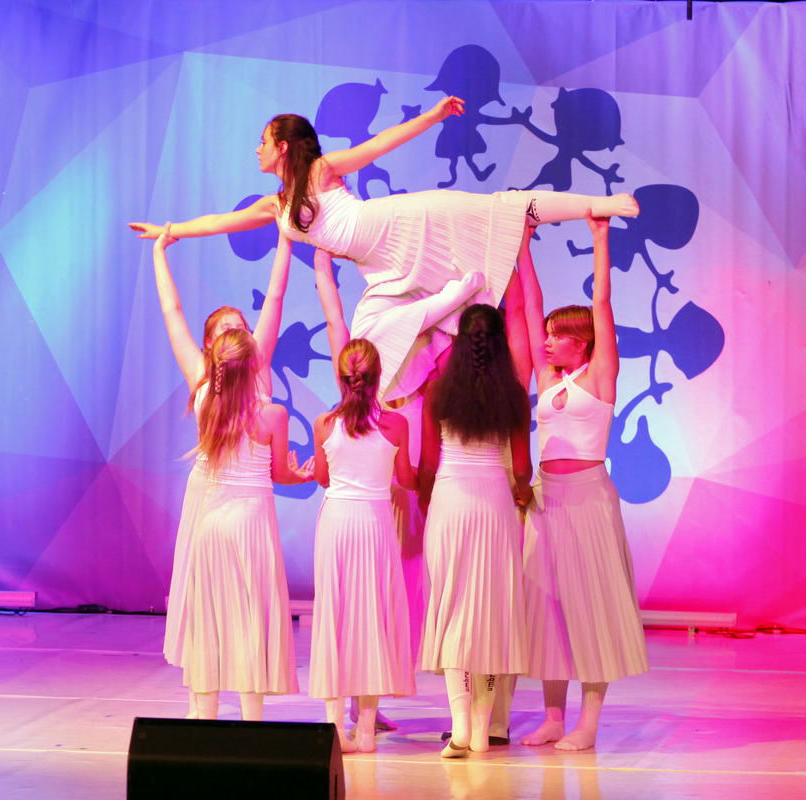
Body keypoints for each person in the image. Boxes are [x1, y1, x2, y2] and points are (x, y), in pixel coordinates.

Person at [129, 97, 639, 402]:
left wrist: (433, 117)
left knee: (497, 209)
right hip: (381, 269)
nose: (256, 149)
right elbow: (220, 222)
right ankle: (446, 320)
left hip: (401, 225)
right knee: (369, 338)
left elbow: (380, 144)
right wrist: (169, 230)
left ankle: (597, 204)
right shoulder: (276, 205)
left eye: (262, 141)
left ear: (283, 147)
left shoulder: (321, 171)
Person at [509, 215, 649, 751]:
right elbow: (531, 304)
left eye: (555, 336)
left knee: (591, 607)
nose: (545, 342)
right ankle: (552, 718)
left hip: (590, 499)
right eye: (545, 335)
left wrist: (599, 236)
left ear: (581, 342)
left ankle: (587, 725)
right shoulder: (549, 380)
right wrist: (523, 247)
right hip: (547, 500)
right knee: (549, 607)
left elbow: (603, 304)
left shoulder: (600, 376)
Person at [151, 226, 287, 716]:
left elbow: (275, 298)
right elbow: (172, 313)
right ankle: (201, 705)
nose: (240, 331)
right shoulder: (201, 377)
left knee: (244, 599)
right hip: (209, 495)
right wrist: (159, 254)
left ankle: (235, 708)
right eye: (228, 329)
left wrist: (286, 240)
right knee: (202, 595)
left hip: (241, 502)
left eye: (242, 326)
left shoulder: (257, 370)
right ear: (211, 343)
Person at [310, 248, 417, 753]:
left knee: (335, 616)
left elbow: (323, 478)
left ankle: (336, 728)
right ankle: (367, 729)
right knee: (372, 617)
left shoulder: (325, 423)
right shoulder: (396, 424)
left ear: (342, 377)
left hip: (337, 521)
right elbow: (406, 479)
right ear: (378, 377)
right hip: (375, 523)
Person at [178, 322, 314, 720]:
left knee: (208, 618)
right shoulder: (272, 414)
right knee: (251, 618)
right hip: (251, 524)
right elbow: (279, 473)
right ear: (254, 365)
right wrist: (302, 475)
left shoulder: (206, 403)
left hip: (211, 524)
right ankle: (251, 721)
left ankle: (205, 717)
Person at [417, 304, 533, 758]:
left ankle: (460, 724)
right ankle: (483, 730)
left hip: (450, 501)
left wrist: (426, 503)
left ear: (458, 341)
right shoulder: (515, 394)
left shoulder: (437, 390)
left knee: (451, 608)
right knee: (491, 612)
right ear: (501, 342)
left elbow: (428, 464)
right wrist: (523, 493)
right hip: (495, 505)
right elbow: (521, 468)